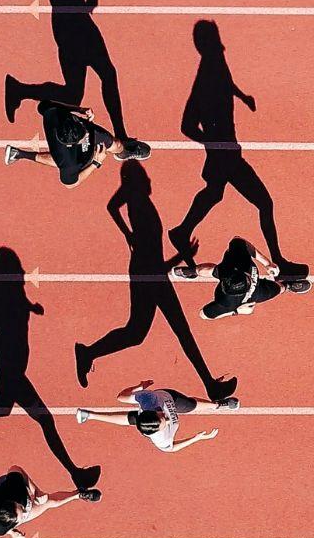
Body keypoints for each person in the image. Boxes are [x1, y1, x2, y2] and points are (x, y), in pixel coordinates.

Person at [75, 161, 238, 402]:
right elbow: (114, 210)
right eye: (145, 178)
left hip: (147, 272)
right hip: (149, 274)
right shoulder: (139, 203)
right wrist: (178, 256)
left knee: (137, 333)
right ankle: (210, 386)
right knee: (180, 330)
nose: (149, 182)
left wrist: (129, 235)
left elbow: (112, 206)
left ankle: (88, 352)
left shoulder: (136, 200)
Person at [0, 248, 101, 491]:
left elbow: (17, 308)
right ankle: (75, 473)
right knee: (46, 420)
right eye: (17, 269)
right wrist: (2, 345)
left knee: (3, 407)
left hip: (13, 366)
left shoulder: (15, 297)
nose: (21, 272)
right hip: (11, 370)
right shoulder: (3, 304)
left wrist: (31, 308)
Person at [3, 0, 149, 158]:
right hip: (74, 23)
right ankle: (121, 140)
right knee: (106, 73)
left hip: (70, 21)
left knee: (75, 92)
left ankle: (20, 89)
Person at [168, 21, 307, 279]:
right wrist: (214, 145)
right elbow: (186, 126)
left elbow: (226, 83)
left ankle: (181, 230)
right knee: (264, 202)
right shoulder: (207, 73)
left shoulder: (216, 64)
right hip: (226, 154)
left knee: (214, 194)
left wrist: (242, 97)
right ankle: (278, 262)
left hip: (227, 152)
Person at [4, 100, 146, 186]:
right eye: (83, 135)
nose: (86, 134)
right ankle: (20, 155)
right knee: (67, 164)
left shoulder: (53, 114)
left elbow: (46, 104)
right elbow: (71, 184)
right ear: (73, 144)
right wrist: (96, 163)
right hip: (75, 157)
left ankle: (123, 153)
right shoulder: (68, 161)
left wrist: (79, 110)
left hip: (64, 141)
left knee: (115, 144)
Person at [0, 466, 100, 538]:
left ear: (12, 502)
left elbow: (15, 468)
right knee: (49, 503)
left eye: (21, 508)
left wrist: (36, 492)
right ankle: (78, 494)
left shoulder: (13, 487)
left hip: (1, 490)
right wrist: (11, 532)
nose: (24, 511)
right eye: (21, 514)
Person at [75, 379, 236, 452]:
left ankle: (217, 405)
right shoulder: (161, 439)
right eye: (163, 421)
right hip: (147, 420)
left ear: (149, 411)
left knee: (191, 405)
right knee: (129, 419)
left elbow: (121, 397)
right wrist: (197, 438)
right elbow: (172, 449)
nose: (166, 418)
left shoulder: (148, 399)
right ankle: (90, 415)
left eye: (160, 416)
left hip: (169, 397)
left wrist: (138, 387)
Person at [178, 236, 310, 320]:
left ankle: (192, 271)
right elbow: (203, 315)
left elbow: (240, 241)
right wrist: (236, 311)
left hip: (238, 292)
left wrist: (267, 263)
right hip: (256, 295)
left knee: (210, 270)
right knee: (279, 288)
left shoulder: (234, 267)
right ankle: (287, 286)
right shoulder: (228, 301)